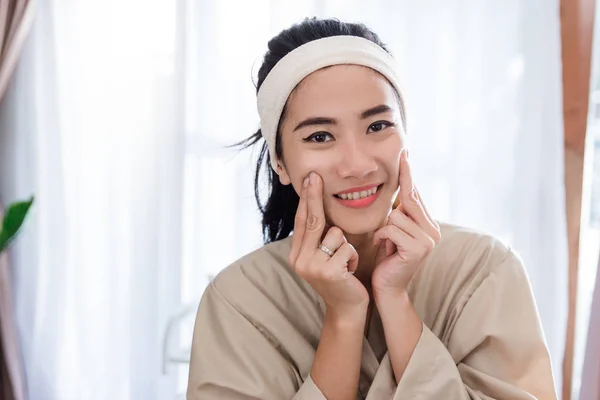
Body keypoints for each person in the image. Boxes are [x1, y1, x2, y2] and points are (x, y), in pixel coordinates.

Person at [187, 17, 558, 400]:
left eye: (378, 126)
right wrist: (344, 317)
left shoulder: (485, 271)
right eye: (320, 136)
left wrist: (395, 299)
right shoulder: (238, 300)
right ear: (281, 163)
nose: (358, 165)